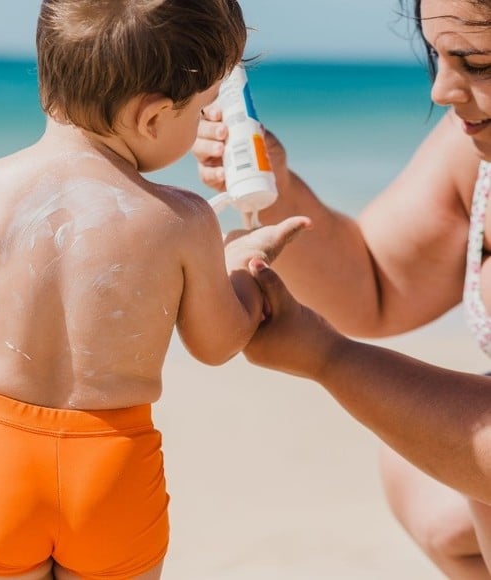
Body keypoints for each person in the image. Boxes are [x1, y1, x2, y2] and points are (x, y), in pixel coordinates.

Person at [0, 1, 308, 578]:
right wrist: (244, 272)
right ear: (153, 117)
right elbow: (215, 343)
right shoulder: (181, 220)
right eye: (203, 111)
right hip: (111, 473)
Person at [195, 0, 491, 576]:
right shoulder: (472, 152)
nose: (443, 91)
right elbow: (376, 286)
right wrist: (273, 186)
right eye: (437, 57)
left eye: (476, 62)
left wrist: (330, 359)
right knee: (422, 477)